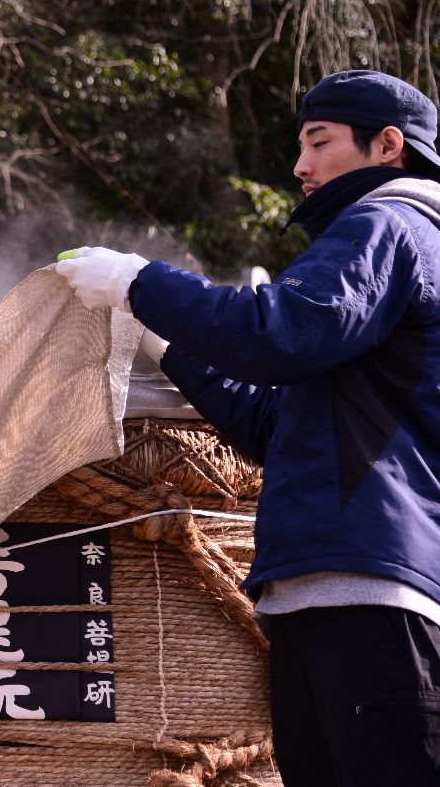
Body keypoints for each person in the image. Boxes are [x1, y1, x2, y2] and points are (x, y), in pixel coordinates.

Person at [56, 70, 440, 785]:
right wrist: (166, 344)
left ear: (387, 145)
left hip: (372, 589)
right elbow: (273, 422)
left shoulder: (392, 223)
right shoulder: (390, 244)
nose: (300, 166)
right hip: (325, 596)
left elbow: (277, 332)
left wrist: (138, 281)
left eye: (318, 142)